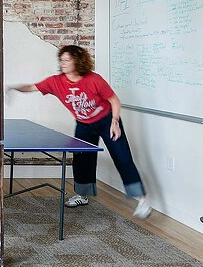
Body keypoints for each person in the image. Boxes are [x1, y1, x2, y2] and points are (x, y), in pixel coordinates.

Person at [9, 45, 152, 219]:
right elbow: (32, 87)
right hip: (84, 124)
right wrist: (13, 88)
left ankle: (143, 199)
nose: (63, 63)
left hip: (107, 121)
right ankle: (82, 195)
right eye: (61, 60)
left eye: (67, 60)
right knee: (82, 158)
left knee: (122, 157)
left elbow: (114, 100)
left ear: (78, 60)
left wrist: (115, 122)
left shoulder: (94, 79)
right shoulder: (55, 82)